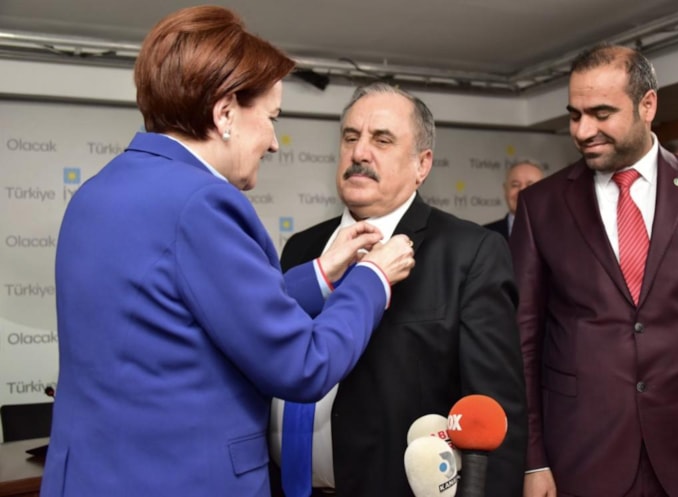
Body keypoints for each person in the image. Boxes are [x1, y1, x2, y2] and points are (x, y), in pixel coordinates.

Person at [40, 7, 415, 497]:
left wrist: (322, 273)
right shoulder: (201, 203)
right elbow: (303, 365)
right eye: (271, 118)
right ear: (224, 114)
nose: (274, 143)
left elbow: (196, 311)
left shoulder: (96, 192)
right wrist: (372, 278)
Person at [510, 44, 678, 497]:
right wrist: (531, 459)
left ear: (648, 105)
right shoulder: (540, 206)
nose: (583, 130)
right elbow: (523, 341)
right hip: (582, 456)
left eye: (601, 113)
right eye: (575, 115)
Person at [268, 82, 527, 497]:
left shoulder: (469, 253)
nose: (359, 152)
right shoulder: (302, 247)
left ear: (422, 164)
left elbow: (494, 413)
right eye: (350, 137)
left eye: (382, 140)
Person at [484, 160, 545, 240]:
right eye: (515, 185)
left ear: (544, 191)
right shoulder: (484, 235)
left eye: (530, 185)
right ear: (505, 190)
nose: (522, 191)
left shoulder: (559, 231)